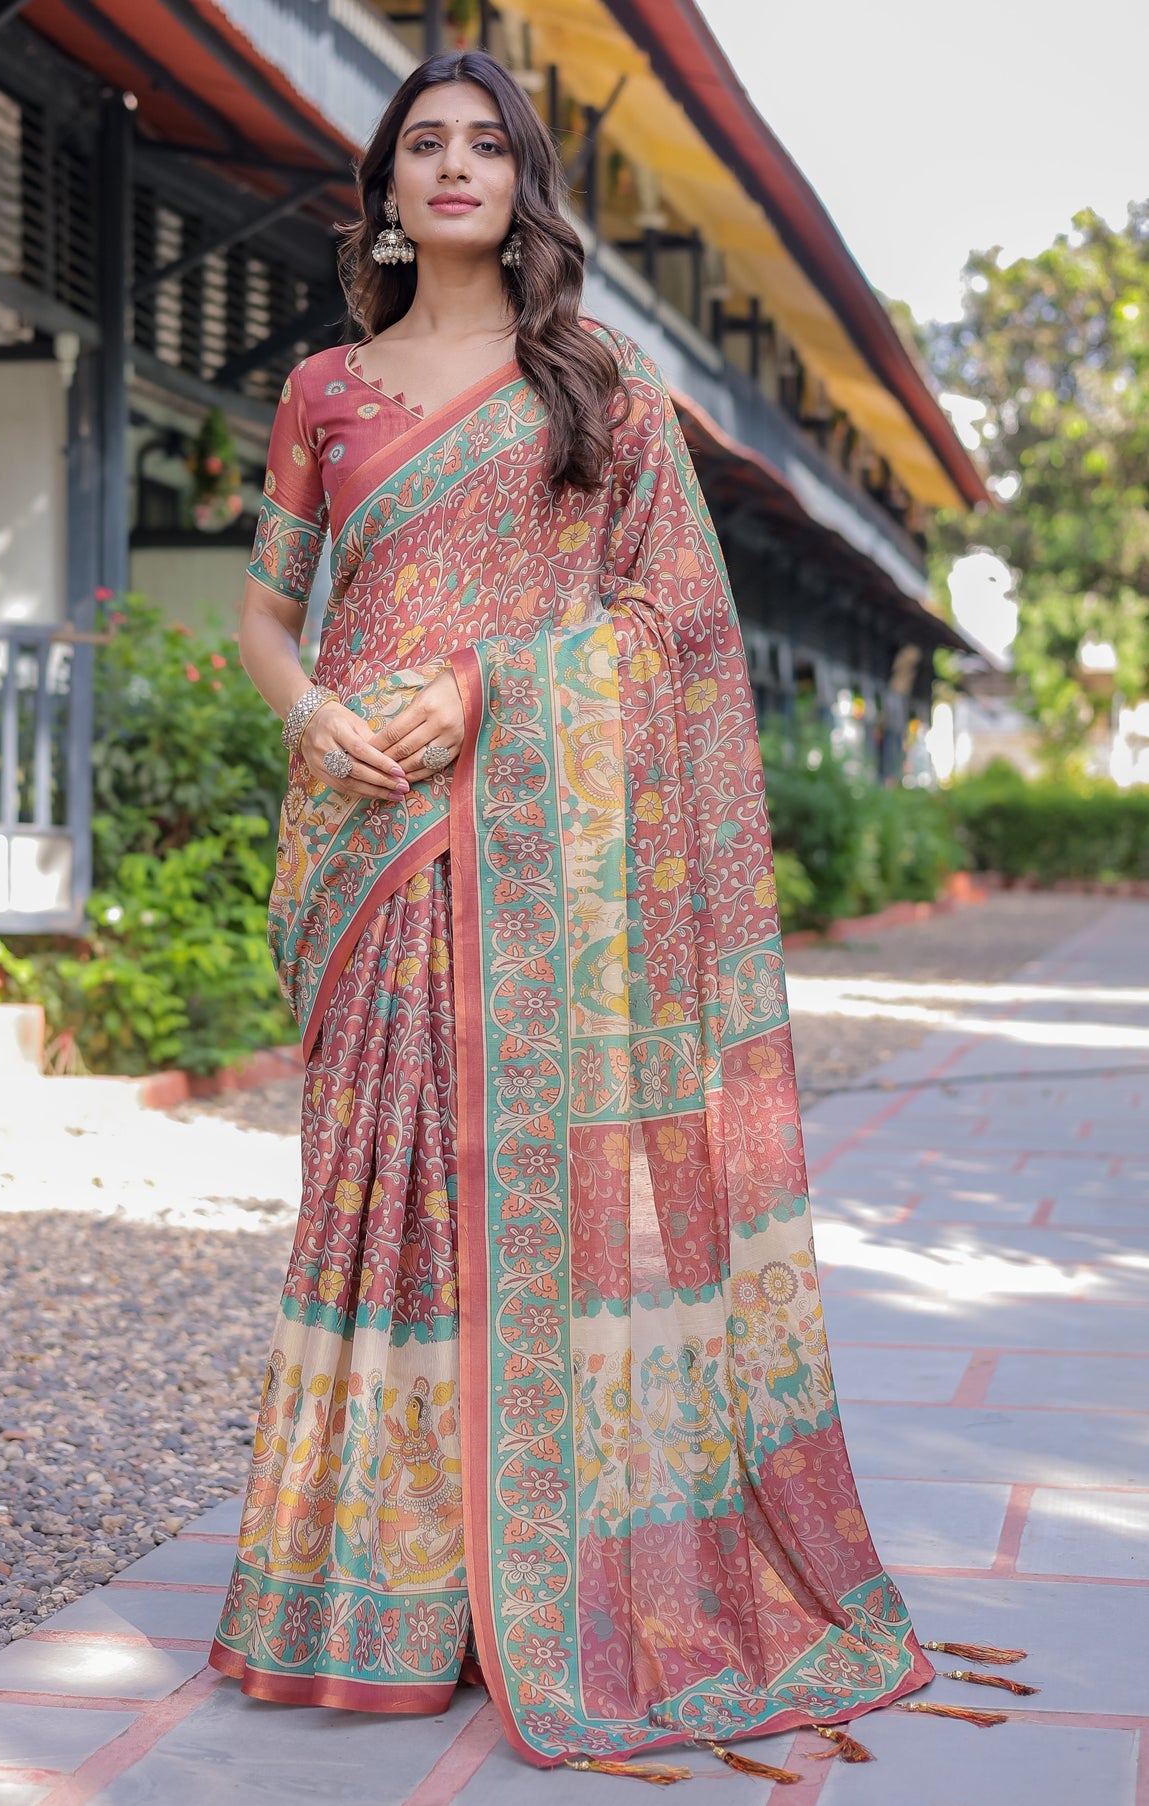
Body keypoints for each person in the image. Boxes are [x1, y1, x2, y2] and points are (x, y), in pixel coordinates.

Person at [208, 47, 936, 1774]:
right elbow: (264, 614)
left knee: (532, 1197)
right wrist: (309, 710)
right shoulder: (324, 388)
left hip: (539, 851)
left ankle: (538, 1576)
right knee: (378, 1202)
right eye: (420, 145)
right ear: (382, 190)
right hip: (367, 841)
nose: (452, 167)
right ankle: (375, 1585)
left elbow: (671, 628)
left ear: (523, 183)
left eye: (484, 145)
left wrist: (485, 692)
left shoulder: (588, 378)